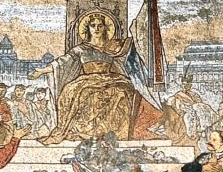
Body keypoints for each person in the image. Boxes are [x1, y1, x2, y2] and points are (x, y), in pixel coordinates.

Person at [33, 13, 161, 141]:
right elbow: (62, 62)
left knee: (124, 91)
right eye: (93, 25)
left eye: (100, 25)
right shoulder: (81, 49)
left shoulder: (113, 48)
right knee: (84, 93)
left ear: (105, 28)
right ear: (88, 29)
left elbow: (135, 46)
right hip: (87, 80)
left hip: (111, 79)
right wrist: (42, 70)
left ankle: (118, 132)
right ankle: (88, 132)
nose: (96, 28)